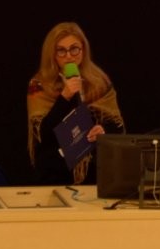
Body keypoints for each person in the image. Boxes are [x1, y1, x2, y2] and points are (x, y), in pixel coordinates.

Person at [27, 21, 125, 185]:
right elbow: (42, 134)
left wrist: (103, 130)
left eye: (74, 49)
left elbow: (116, 125)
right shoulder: (39, 84)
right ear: (52, 54)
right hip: (55, 172)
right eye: (61, 51)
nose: (69, 56)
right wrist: (65, 96)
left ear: (83, 50)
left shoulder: (100, 81)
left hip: (95, 172)